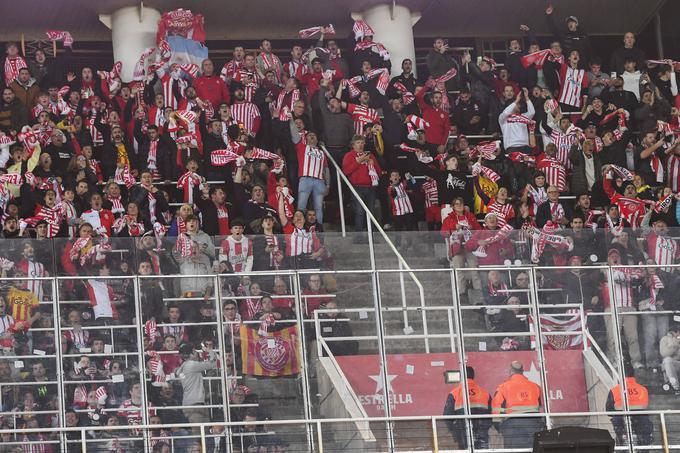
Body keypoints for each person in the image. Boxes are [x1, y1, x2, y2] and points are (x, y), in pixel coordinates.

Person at [491, 361, 543, 449]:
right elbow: (539, 406)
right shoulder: (535, 386)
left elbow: (496, 408)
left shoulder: (503, 387)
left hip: (513, 426)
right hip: (534, 424)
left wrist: (498, 426)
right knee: (533, 449)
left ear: (511, 371)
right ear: (522, 371)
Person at [443, 366, 492, 449]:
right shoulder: (485, 393)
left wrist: (455, 432)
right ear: (473, 376)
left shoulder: (454, 393)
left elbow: (447, 416)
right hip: (482, 433)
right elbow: (492, 413)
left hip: (463, 434)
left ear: (461, 376)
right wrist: (486, 427)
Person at [606, 362, 652, 446]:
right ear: (633, 374)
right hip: (641, 422)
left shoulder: (614, 390)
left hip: (621, 423)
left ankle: (621, 443)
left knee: (620, 441)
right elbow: (645, 406)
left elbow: (609, 411)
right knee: (645, 438)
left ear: (620, 375)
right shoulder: (643, 389)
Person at [175, 343, 218, 432]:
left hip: (192, 403)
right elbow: (213, 363)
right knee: (199, 433)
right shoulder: (192, 365)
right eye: (195, 352)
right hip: (195, 404)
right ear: (191, 353)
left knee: (202, 433)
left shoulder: (183, 367)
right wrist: (209, 351)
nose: (197, 354)